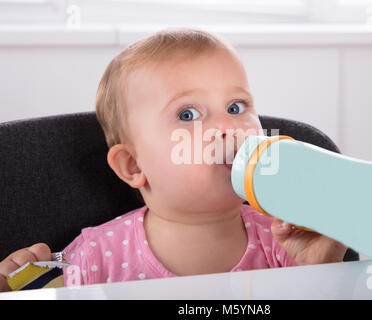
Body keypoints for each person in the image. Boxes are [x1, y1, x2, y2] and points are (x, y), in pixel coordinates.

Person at [0, 27, 347, 291]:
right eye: (187, 115)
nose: (227, 126)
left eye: (236, 107)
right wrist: (10, 287)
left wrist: (321, 269)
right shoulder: (93, 259)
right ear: (134, 166)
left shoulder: (285, 240)